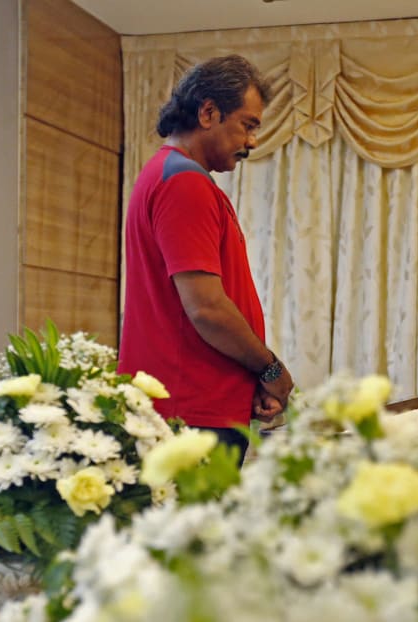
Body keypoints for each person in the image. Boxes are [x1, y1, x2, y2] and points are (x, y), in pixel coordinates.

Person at [118, 55, 293, 462]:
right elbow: (207, 310)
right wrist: (271, 370)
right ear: (209, 112)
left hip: (191, 408)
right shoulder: (184, 184)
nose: (252, 141)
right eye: (248, 125)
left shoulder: (175, 176)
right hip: (189, 416)